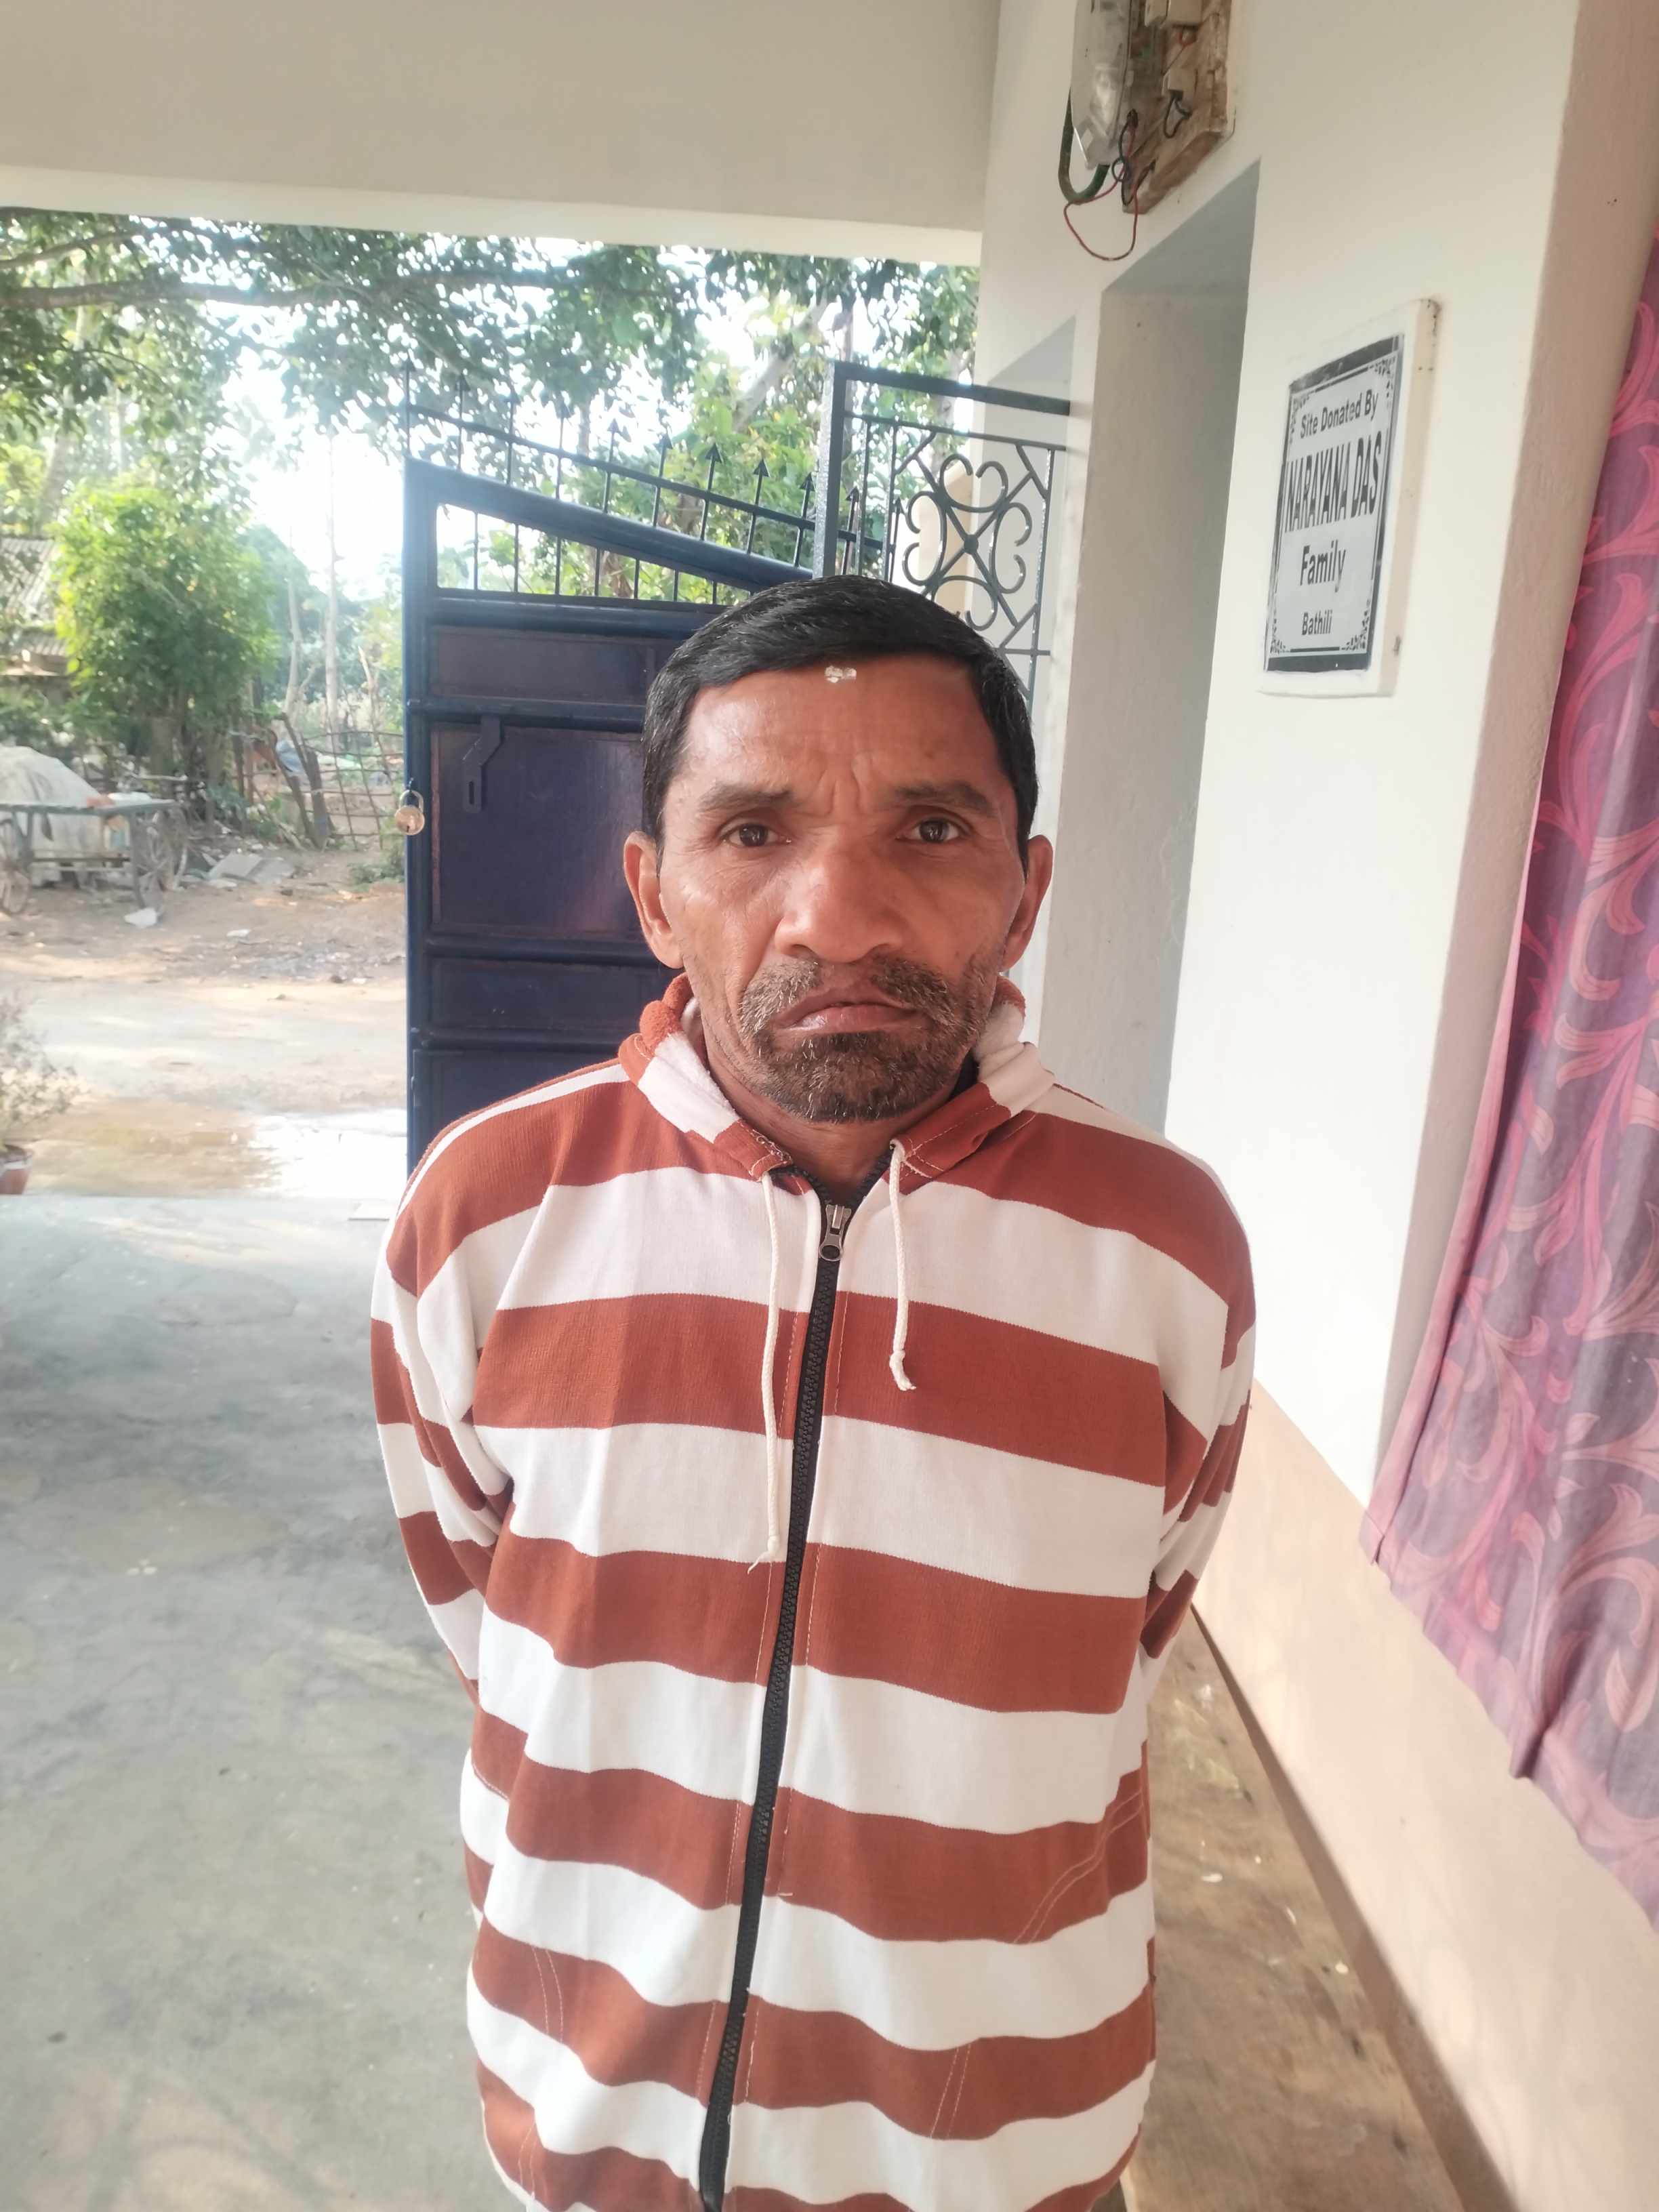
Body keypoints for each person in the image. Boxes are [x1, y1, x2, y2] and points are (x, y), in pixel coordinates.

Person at [371, 575, 1253, 2212]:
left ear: (1025, 893)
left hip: (1005, 2139)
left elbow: (1129, 1628)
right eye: (754, 831)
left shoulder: (1163, 1252)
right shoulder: (489, 1216)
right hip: (594, 2108)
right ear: (654, 894)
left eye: (930, 830)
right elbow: (488, 1614)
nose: (838, 918)